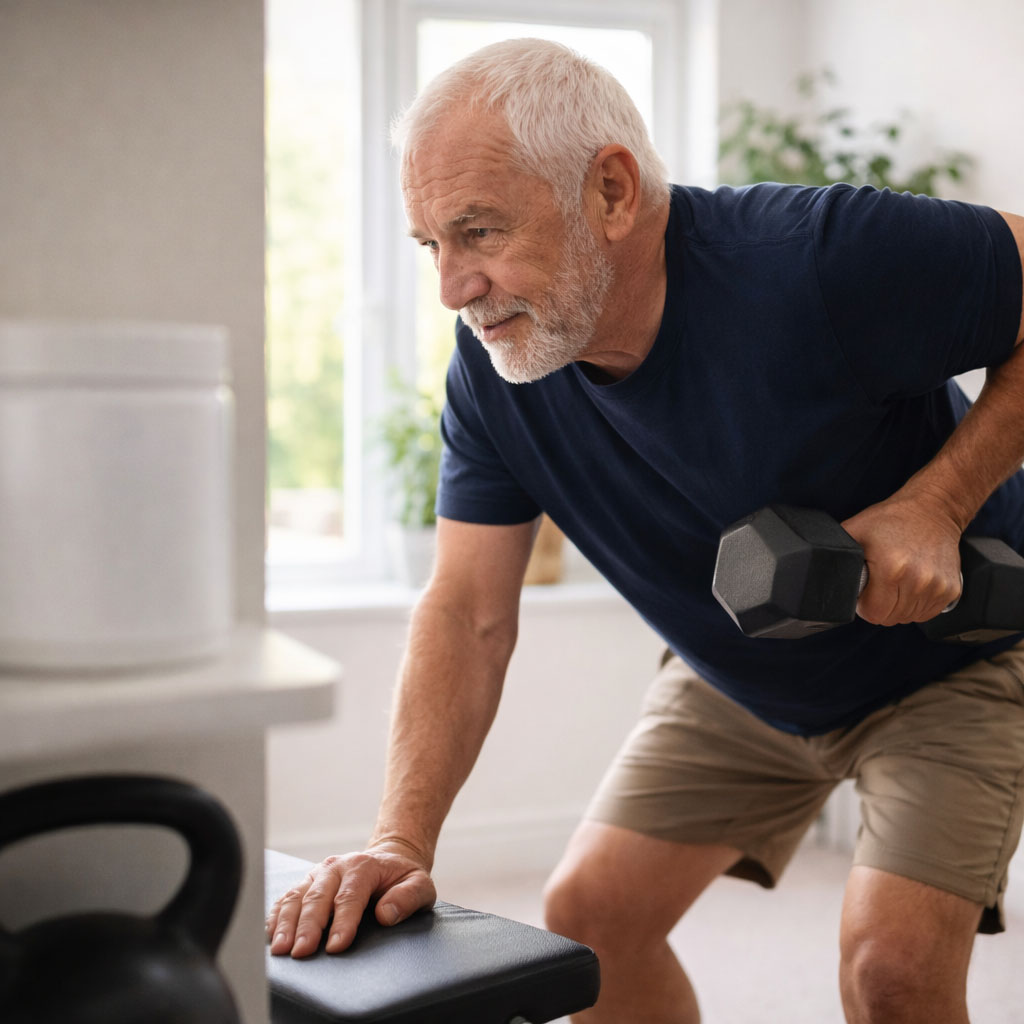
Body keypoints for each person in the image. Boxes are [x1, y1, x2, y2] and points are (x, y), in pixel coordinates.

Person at [267, 38, 1024, 1023]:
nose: (453, 286)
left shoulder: (821, 259)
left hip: (947, 668)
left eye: (480, 231)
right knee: (589, 915)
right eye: (430, 246)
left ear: (612, 193)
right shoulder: (496, 379)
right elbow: (464, 608)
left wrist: (938, 504)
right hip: (737, 675)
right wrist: (399, 841)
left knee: (891, 966)